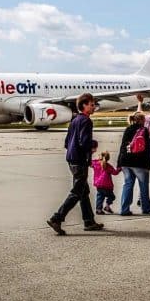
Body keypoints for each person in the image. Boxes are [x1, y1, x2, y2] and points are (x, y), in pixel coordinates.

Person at [47, 94, 104, 234]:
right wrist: (93, 145)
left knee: (84, 191)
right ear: (84, 105)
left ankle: (89, 221)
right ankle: (57, 218)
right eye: (91, 104)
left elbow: (67, 142)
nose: (94, 106)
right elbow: (84, 142)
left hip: (71, 159)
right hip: (79, 161)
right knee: (77, 192)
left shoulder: (74, 120)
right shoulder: (86, 121)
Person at [117, 112, 150, 216]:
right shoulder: (144, 130)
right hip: (139, 162)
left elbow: (122, 146)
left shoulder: (128, 129)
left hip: (125, 161)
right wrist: (148, 164)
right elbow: (147, 149)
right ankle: (146, 207)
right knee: (143, 185)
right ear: (142, 120)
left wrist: (119, 162)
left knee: (128, 184)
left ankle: (124, 209)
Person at [92, 150, 121, 214]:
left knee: (100, 197)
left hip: (98, 184)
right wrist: (119, 168)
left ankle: (98, 209)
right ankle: (107, 207)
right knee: (111, 196)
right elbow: (115, 172)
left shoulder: (95, 163)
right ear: (108, 158)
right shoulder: (108, 166)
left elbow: (90, 163)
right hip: (107, 186)